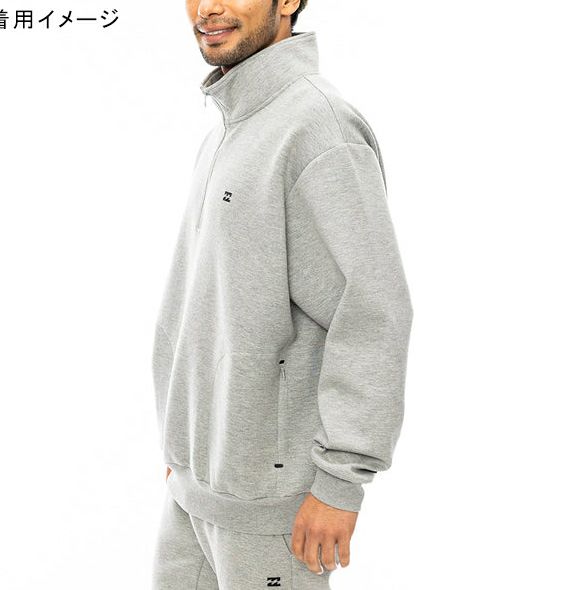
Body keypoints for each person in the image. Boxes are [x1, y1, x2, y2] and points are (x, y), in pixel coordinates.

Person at [151, 1, 414, 588]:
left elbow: (373, 311)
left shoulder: (319, 129)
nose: (208, 7)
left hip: (273, 510)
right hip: (195, 489)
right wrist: (183, 449)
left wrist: (340, 482)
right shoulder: (230, 128)